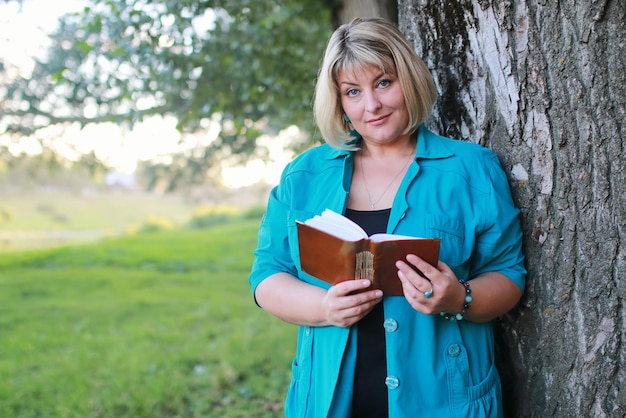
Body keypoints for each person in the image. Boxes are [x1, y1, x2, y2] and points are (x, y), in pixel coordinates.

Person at [248, 17, 526, 418]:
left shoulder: (471, 168)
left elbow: (508, 274)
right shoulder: (303, 175)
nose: (371, 105)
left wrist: (458, 298)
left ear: (408, 80)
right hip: (326, 400)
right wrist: (324, 307)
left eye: (383, 82)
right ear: (339, 101)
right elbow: (267, 275)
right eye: (352, 91)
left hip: (444, 400)